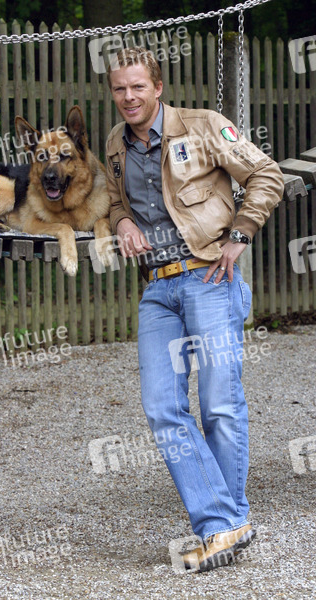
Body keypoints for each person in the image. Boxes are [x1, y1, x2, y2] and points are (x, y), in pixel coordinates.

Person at [105, 47, 284, 573]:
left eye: (138, 87)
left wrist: (241, 235)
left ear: (158, 87)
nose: (129, 97)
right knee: (163, 407)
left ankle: (219, 527)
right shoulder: (116, 144)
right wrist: (122, 222)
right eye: (120, 88)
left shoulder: (203, 126)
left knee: (219, 404)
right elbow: (113, 201)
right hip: (158, 289)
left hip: (210, 278)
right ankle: (228, 523)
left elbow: (267, 174)